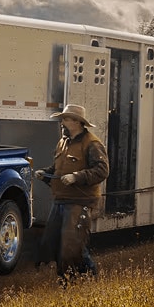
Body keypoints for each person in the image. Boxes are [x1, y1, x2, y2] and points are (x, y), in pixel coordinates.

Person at [34, 104, 109, 286]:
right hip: (60, 199)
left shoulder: (92, 144)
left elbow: (102, 170)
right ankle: (71, 281)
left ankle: (84, 280)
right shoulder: (63, 142)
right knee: (59, 243)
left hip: (80, 201)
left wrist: (77, 177)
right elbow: (58, 169)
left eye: (66, 118)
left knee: (71, 246)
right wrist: (45, 173)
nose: (62, 122)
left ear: (77, 122)